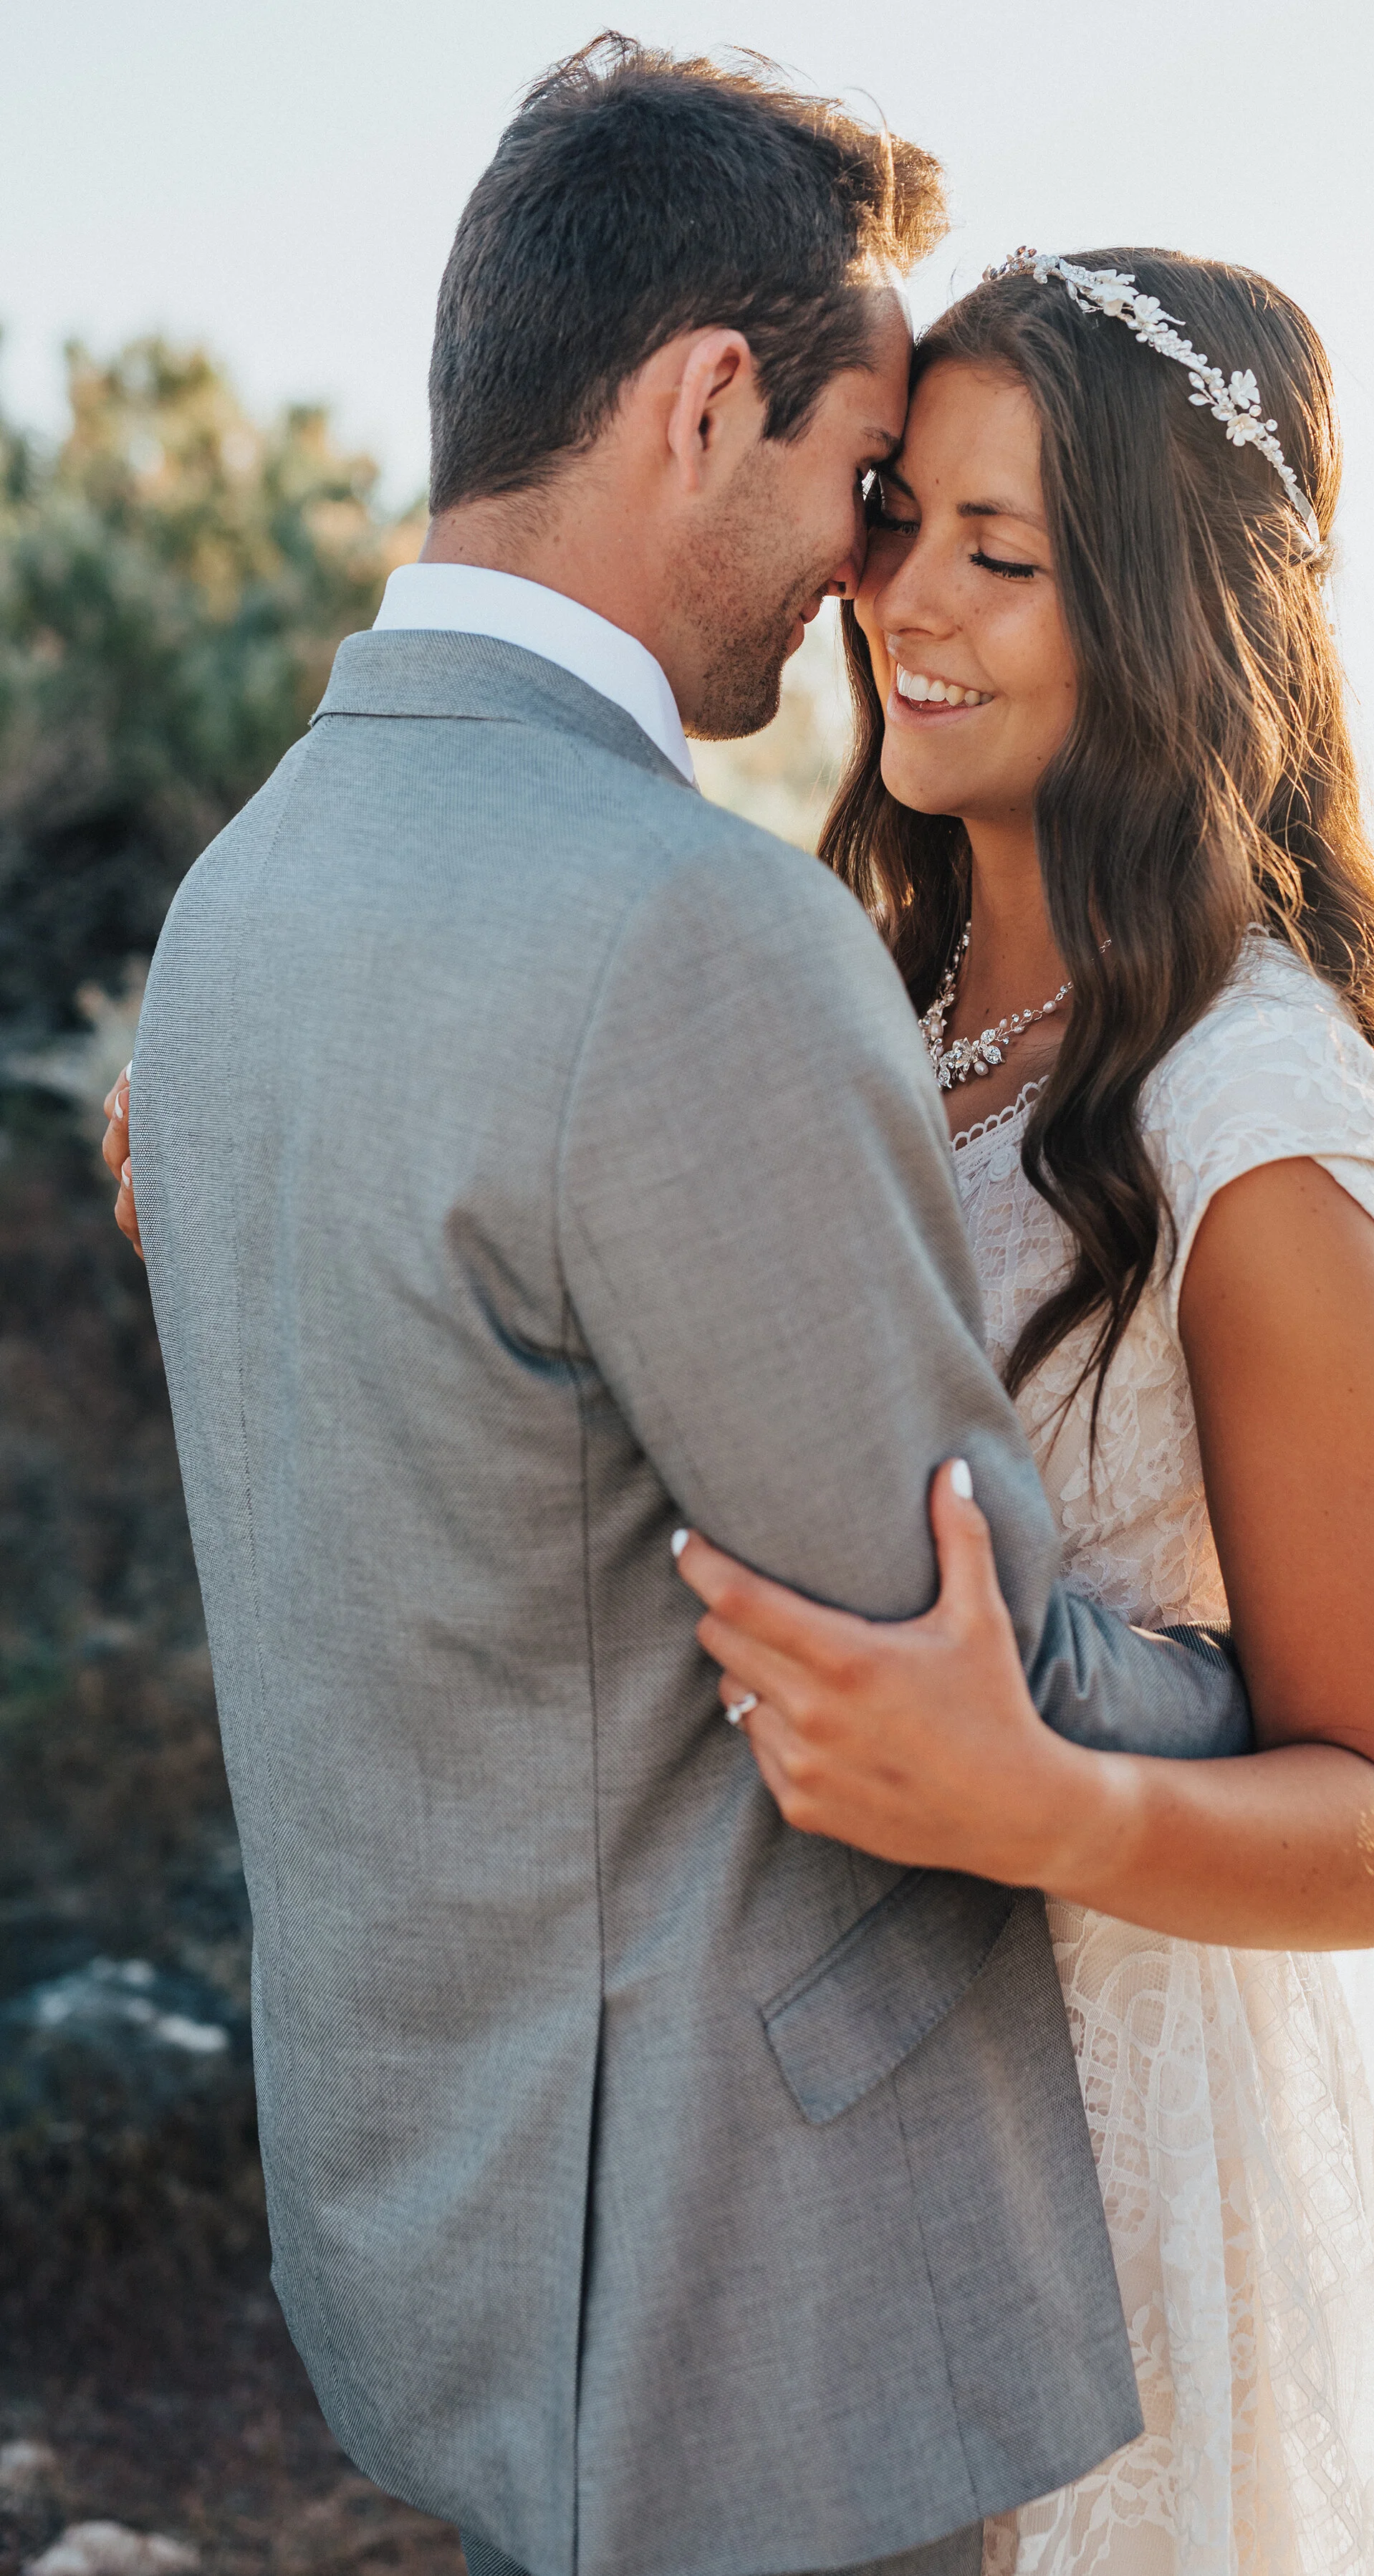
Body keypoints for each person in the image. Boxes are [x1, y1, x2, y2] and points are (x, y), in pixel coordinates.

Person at [102, 45, 1260, 2576]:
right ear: (703, 400)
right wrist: (1302, 1702)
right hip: (740, 2296)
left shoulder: (239, 904)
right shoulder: (685, 931)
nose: (869, 573)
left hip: (432, 2222)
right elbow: (949, 1647)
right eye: (863, 483)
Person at [668, 252, 1374, 2575]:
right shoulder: (871, 989)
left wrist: (1031, 1795)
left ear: (1173, 619)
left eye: (1008, 556)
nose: (908, 606)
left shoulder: (1257, 1113)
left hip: (1120, 2146)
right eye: (899, 525)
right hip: (829, 2105)